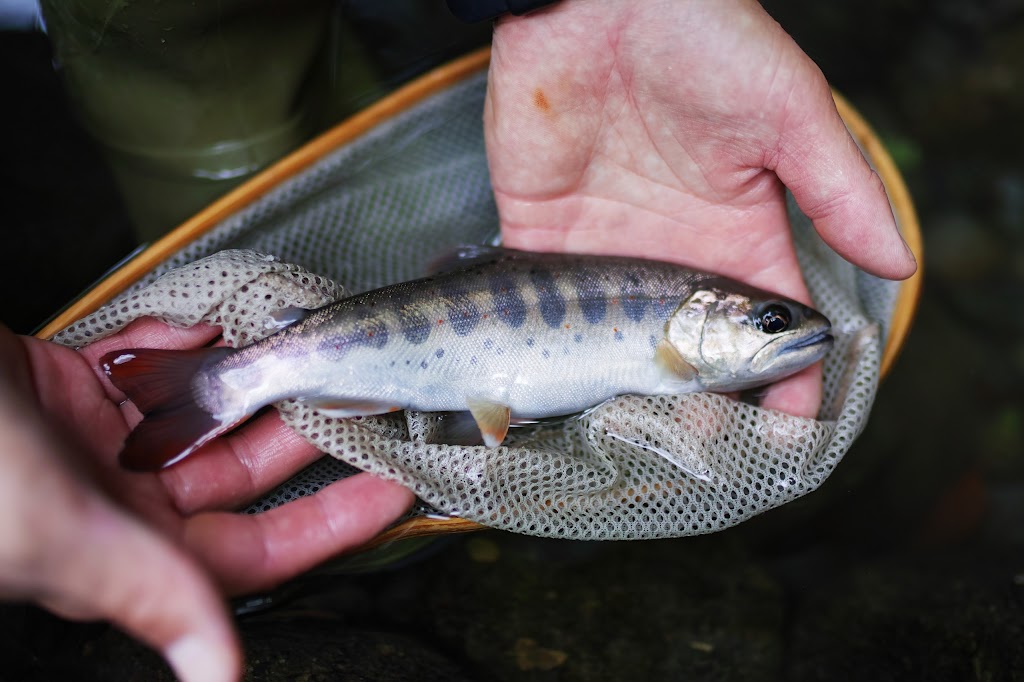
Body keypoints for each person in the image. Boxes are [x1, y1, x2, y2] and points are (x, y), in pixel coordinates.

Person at [0, 1, 916, 680]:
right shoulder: (678, 339)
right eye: (768, 321)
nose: (791, 333)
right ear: (706, 318)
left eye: (774, 324)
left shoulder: (676, 306)